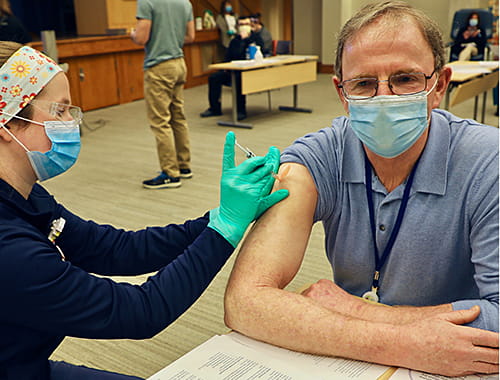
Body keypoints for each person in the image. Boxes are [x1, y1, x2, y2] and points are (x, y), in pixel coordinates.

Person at [224, 1, 499, 377]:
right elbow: (244, 302)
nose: (384, 97)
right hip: (363, 361)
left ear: (439, 86)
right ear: (342, 93)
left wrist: (351, 309)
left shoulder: (489, 162)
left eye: (405, 79)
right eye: (364, 84)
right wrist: (406, 341)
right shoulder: (320, 155)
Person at [0, 42, 289, 380]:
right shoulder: (9, 248)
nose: (71, 122)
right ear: (7, 125)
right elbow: (142, 312)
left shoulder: (27, 199)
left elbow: (116, 249)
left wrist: (218, 217)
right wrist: (225, 227)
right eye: (60, 111)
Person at [131, 0, 194, 189]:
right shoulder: (185, 3)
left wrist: (133, 34)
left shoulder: (147, 2)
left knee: (160, 121)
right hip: (179, 63)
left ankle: (170, 173)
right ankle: (184, 166)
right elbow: (190, 36)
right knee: (178, 117)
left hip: (159, 67)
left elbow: (142, 38)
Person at [200, 16, 265, 121]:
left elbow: (262, 53)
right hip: (233, 71)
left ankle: (240, 110)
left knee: (239, 80)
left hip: (250, 72)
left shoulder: (256, 39)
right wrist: (240, 41)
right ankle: (214, 108)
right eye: (241, 24)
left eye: (246, 24)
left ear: (251, 26)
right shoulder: (235, 41)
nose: (243, 27)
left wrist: (246, 40)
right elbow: (229, 57)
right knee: (214, 78)